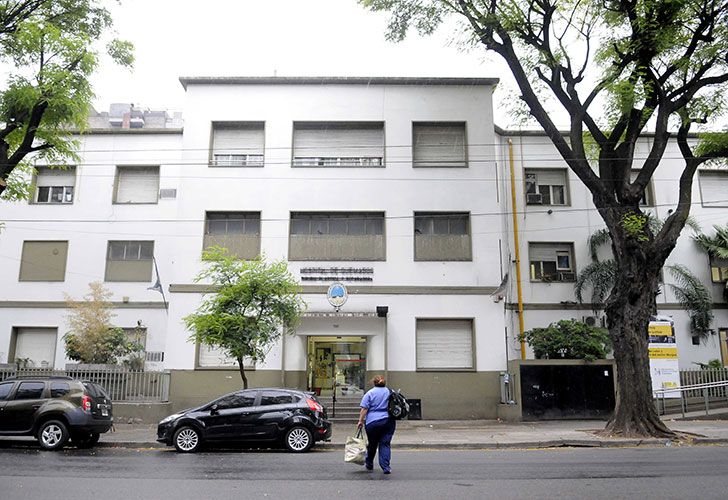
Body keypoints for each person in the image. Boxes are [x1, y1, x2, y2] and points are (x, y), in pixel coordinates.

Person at [357, 375, 395, 474]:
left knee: (372, 444)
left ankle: (369, 463)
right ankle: (386, 467)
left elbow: (364, 409)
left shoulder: (370, 393)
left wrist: (360, 421)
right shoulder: (390, 392)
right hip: (388, 421)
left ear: (374, 383)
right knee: (385, 444)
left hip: (372, 422)